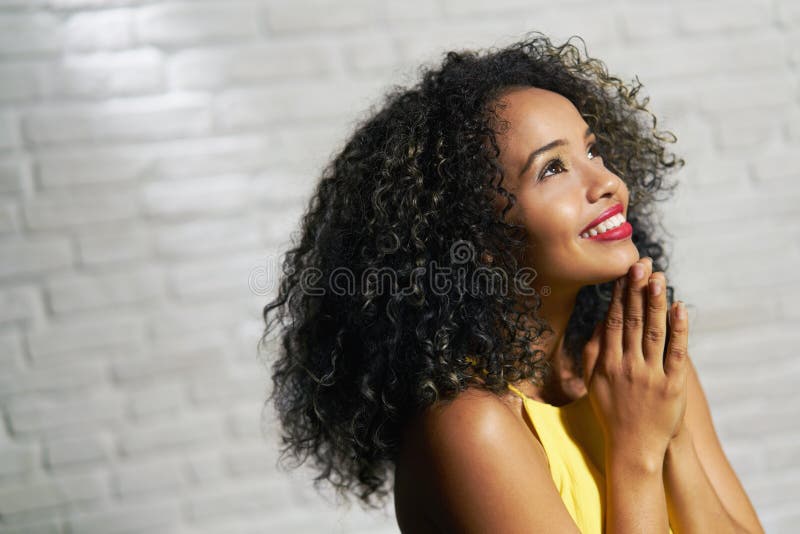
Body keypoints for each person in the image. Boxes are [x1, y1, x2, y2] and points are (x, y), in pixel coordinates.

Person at [260, 31, 764, 533]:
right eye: (552, 169)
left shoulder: (638, 370)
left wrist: (672, 439)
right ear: (474, 235)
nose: (605, 182)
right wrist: (637, 451)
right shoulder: (470, 428)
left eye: (592, 151)